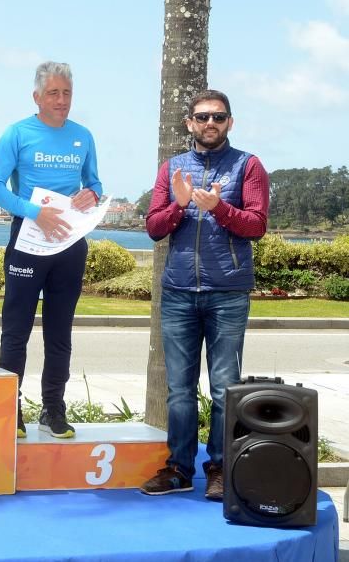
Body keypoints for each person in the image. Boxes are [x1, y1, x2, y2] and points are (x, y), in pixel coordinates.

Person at [139, 90, 268, 500]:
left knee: (224, 387)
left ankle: (219, 468)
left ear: (230, 122)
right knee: (179, 389)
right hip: (178, 293)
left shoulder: (248, 165)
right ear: (189, 123)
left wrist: (218, 209)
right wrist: (179, 206)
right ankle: (178, 468)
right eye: (202, 117)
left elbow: (256, 225)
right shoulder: (173, 168)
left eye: (218, 116)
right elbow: (155, 228)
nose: (209, 123)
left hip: (228, 292)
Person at [0, 62, 102, 440]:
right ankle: (10, 408)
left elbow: (95, 182)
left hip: (69, 244)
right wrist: (36, 212)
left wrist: (92, 194)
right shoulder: (18, 133)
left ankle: (53, 408)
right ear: (36, 97)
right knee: (15, 329)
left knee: (59, 332)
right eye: (53, 93)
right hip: (28, 240)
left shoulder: (83, 136)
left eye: (67, 93)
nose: (61, 100)